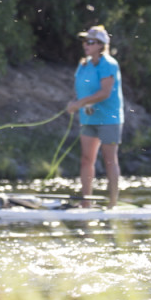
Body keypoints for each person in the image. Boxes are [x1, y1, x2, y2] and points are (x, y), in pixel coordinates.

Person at [65, 25, 124, 207]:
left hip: (109, 119)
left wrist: (80, 104)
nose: (86, 45)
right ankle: (86, 203)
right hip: (89, 118)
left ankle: (113, 203)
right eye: (85, 41)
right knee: (86, 159)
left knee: (109, 160)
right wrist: (75, 102)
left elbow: (105, 92)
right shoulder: (83, 65)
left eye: (90, 42)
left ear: (101, 45)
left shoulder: (109, 64)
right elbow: (81, 89)